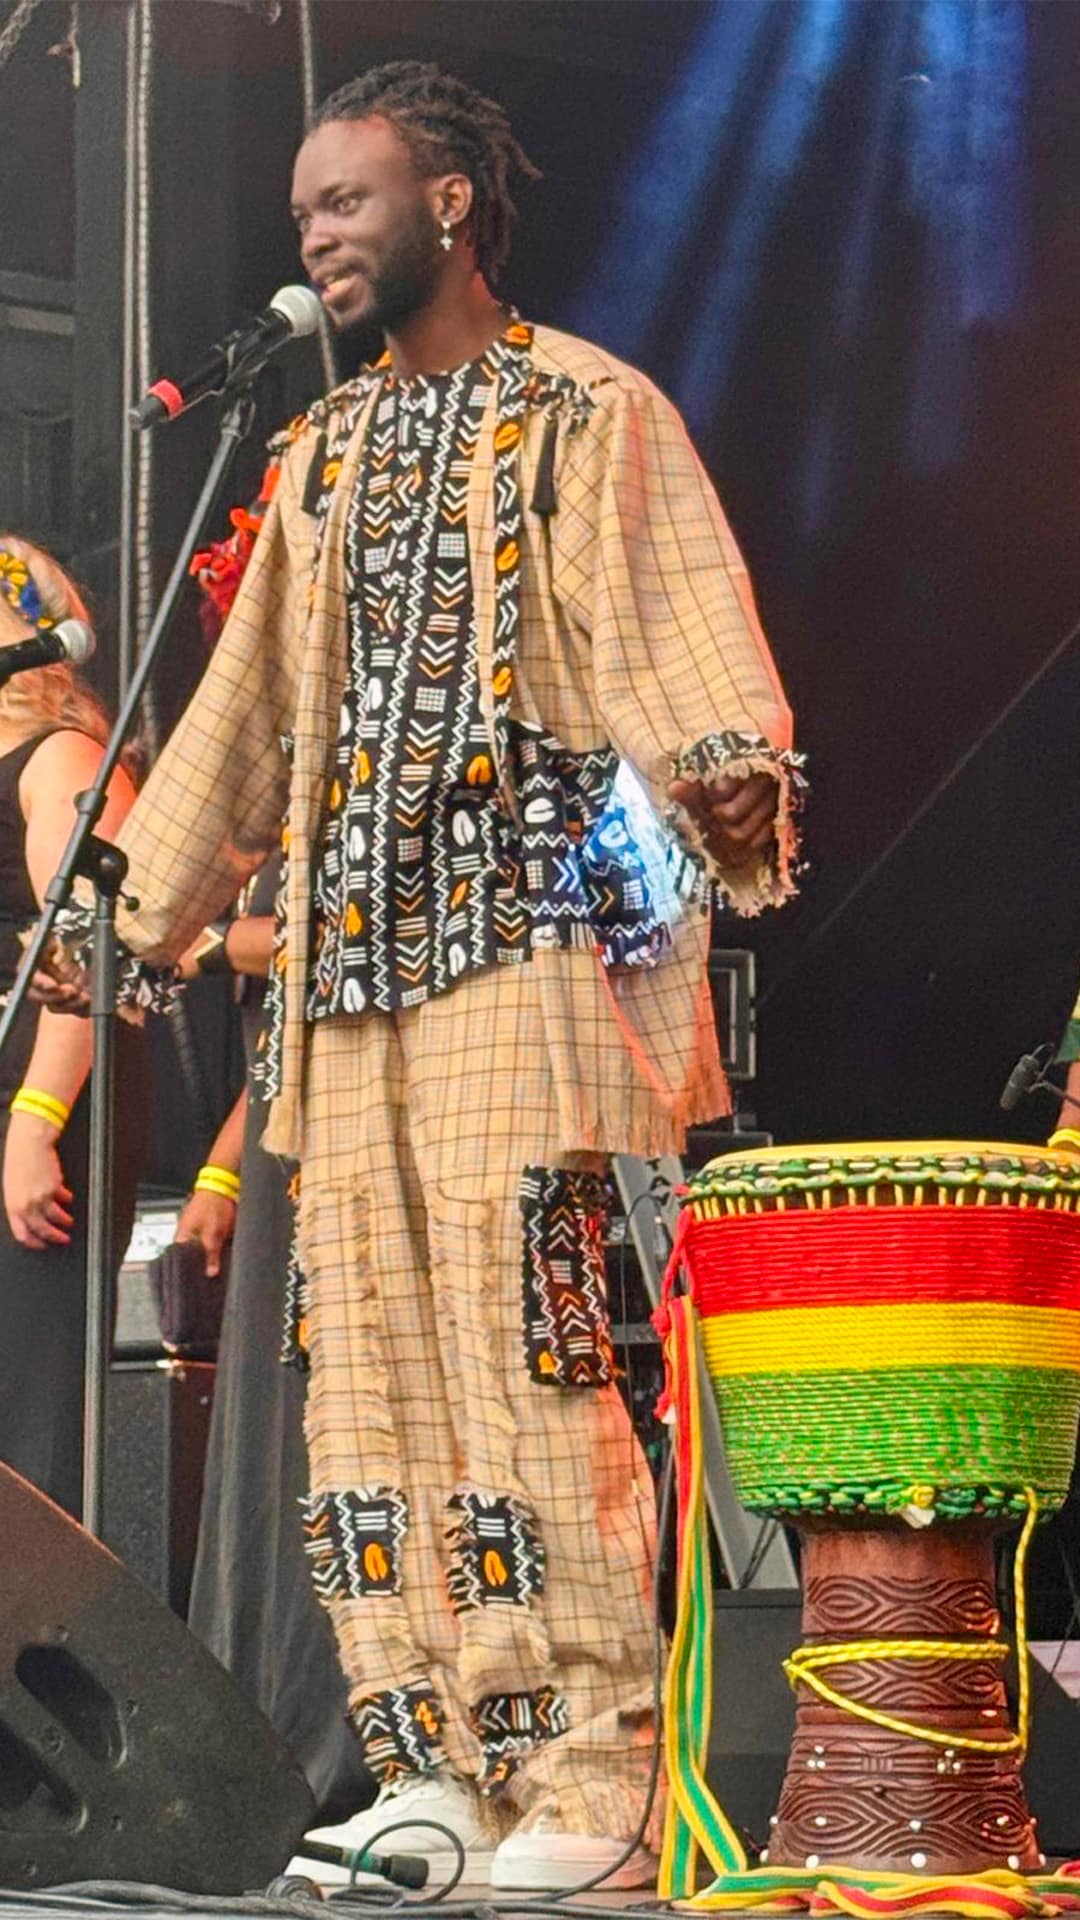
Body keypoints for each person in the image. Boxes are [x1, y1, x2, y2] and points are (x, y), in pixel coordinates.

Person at [60, 62, 802, 1889]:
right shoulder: (318, 455)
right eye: (304, 210)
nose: (316, 232)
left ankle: (593, 1789)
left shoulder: (586, 412)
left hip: (535, 972)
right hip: (349, 998)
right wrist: (124, 920)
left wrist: (724, 767)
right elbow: (241, 721)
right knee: (371, 1384)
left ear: (451, 203)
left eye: (348, 199)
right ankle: (435, 1768)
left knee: (533, 1370)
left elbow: (680, 629)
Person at [0, 536, 144, 1517]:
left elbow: (99, 958)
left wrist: (35, 1122)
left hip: (34, 1094)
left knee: (25, 1402)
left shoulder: (63, 757)